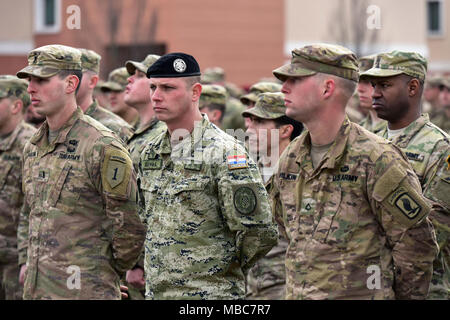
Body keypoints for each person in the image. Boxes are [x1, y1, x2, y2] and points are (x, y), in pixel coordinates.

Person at [270, 43, 438, 299]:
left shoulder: (376, 158)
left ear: (327, 88)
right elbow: (284, 231)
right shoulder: (292, 157)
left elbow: (416, 247)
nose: (284, 88)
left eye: (295, 80)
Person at [138, 52, 278, 299]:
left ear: (195, 92)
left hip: (208, 295)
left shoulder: (226, 153)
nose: (156, 96)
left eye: (168, 88)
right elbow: (145, 221)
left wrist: (220, 267)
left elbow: (260, 231)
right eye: (152, 87)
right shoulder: (150, 152)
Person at [15, 44, 145, 300]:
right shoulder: (33, 146)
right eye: (30, 80)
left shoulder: (101, 145)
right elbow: (30, 212)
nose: (31, 88)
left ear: (71, 83)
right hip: (38, 290)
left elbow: (130, 227)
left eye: (41, 80)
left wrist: (102, 272)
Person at [360, 51, 450, 299]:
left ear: (412, 88)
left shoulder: (441, 149)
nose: (375, 92)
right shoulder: (369, 143)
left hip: (422, 290)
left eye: (385, 85)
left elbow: (431, 233)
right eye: (374, 84)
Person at [242, 92, 303, 299]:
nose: (249, 130)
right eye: (250, 122)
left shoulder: (303, 177)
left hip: (287, 287)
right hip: (252, 287)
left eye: (259, 122)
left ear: (285, 130)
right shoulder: (249, 173)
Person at [122, 54, 167, 299]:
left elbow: (154, 204)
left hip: (149, 265)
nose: (129, 79)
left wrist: (139, 262)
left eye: (140, 75)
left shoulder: (162, 135)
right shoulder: (136, 133)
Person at [0, 76, 36, 300]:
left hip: (15, 259)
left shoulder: (31, 144)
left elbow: (34, 206)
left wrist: (27, 258)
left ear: (16, 105)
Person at [76, 48, 134, 145]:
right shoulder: (50, 125)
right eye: (108, 91)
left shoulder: (116, 129)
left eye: (117, 90)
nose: (111, 96)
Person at [357, 55, 386, 134]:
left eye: (367, 82)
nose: (360, 89)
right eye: (358, 81)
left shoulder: (396, 129)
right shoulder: (358, 130)